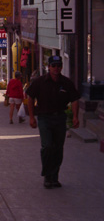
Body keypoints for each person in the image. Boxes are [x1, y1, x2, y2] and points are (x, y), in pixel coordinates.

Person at [25, 55, 80, 189]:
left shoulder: (66, 82)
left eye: (58, 65)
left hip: (60, 118)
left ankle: (54, 177)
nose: (56, 68)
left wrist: (75, 116)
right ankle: (47, 175)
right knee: (47, 146)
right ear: (48, 67)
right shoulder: (40, 82)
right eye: (53, 66)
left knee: (58, 148)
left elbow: (75, 99)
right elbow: (30, 97)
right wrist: (32, 117)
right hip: (44, 118)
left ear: (61, 67)